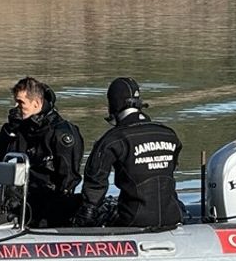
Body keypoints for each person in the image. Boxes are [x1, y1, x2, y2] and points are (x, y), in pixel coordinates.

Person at [73, 78, 184, 228]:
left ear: (113, 103)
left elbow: (95, 184)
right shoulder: (170, 135)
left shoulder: (112, 139)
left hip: (132, 220)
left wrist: (84, 218)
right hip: (172, 216)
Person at [0, 77, 84, 227]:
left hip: (50, 197)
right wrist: (9, 130)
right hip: (24, 192)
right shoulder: (21, 128)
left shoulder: (61, 133)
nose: (16, 107)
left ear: (36, 104)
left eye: (21, 103)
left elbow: (69, 180)